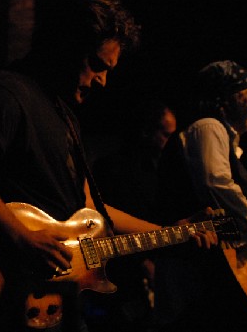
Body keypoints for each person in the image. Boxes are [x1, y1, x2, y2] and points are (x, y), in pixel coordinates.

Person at [0, 0, 216, 332]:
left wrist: (170, 233)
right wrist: (19, 237)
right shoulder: (8, 93)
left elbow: (93, 210)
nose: (102, 81)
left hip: (57, 302)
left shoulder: (65, 116)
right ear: (67, 44)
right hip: (9, 298)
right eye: (97, 66)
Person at [152, 60, 247, 332]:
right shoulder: (209, 127)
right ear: (228, 98)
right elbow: (216, 182)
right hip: (192, 273)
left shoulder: (224, 139)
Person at [83, 100, 177, 332]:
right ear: (147, 132)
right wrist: (143, 262)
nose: (171, 143)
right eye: (167, 135)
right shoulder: (113, 167)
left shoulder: (164, 171)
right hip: (120, 275)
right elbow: (101, 224)